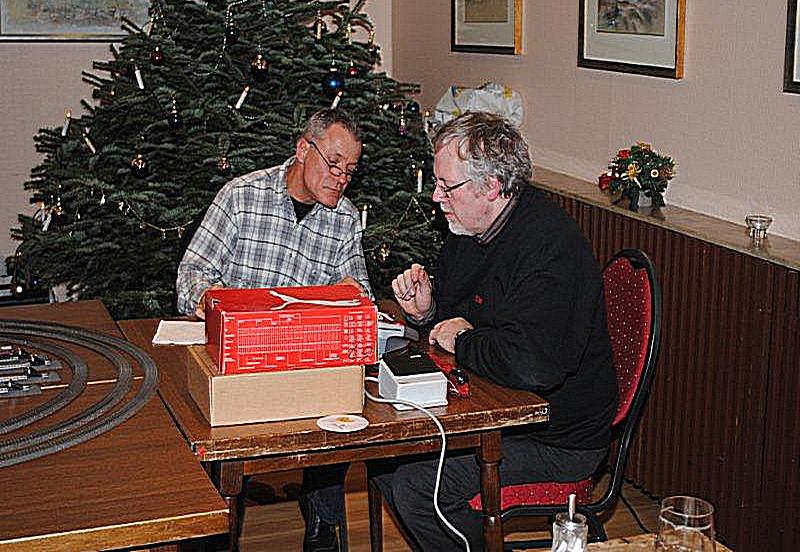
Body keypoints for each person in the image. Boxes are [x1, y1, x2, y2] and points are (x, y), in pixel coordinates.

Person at [383, 111, 619, 551]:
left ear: (491, 186)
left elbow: (533, 364)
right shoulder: (469, 227)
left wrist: (463, 339)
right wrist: (427, 311)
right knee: (385, 462)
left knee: (415, 488)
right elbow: (457, 317)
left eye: (446, 186)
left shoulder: (551, 247)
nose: (436, 197)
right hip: (502, 407)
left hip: (557, 436)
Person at [176, 108, 370, 552]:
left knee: (342, 407)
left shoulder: (344, 218)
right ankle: (214, 531)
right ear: (303, 149)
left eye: (350, 170)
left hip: (303, 363)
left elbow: (358, 294)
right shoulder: (241, 196)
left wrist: (352, 292)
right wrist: (213, 300)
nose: (341, 178)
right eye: (334, 163)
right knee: (209, 439)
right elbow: (190, 276)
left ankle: (323, 525)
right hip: (237, 358)